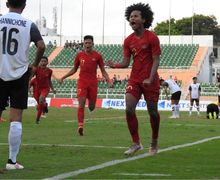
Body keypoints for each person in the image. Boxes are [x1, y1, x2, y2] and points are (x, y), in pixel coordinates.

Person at [107, 3, 161, 156]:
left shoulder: (152, 37)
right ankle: (136, 143)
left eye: (136, 16)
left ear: (143, 19)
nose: (132, 18)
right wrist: (115, 65)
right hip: (135, 80)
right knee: (129, 109)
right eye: (130, 16)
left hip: (150, 80)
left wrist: (150, 78)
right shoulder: (128, 40)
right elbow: (126, 62)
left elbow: (156, 60)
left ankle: (154, 142)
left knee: (153, 113)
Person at [0, 0, 45, 170]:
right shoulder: (29, 24)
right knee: (16, 119)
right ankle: (12, 161)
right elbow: (41, 45)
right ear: (24, 5)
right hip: (19, 73)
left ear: (7, 4)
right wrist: (34, 65)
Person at [58, 35, 112, 136]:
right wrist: (63, 77)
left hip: (93, 83)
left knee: (91, 107)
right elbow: (74, 69)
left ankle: (90, 107)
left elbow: (103, 71)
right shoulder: (79, 55)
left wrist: (108, 80)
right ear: (83, 44)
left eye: (89, 43)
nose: (87, 45)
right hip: (82, 82)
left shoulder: (98, 56)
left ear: (93, 44)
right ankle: (80, 126)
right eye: (86, 43)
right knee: (81, 103)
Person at [31, 56, 56, 124]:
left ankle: (37, 119)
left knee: (41, 99)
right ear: (39, 62)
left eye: (44, 61)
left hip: (45, 88)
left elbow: (49, 80)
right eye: (41, 61)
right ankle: (45, 105)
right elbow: (31, 77)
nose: (43, 62)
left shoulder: (49, 71)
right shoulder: (36, 69)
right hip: (37, 89)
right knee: (40, 104)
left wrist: (53, 89)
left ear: (47, 62)